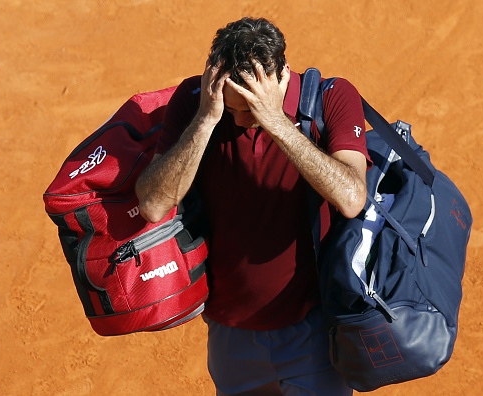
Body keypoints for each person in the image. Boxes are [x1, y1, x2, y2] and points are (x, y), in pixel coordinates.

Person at [136, 17, 371, 396]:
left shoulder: (333, 96)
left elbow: (351, 197)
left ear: (283, 76)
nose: (240, 121)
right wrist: (204, 119)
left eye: (249, 109)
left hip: (314, 331)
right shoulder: (198, 102)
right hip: (231, 338)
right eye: (232, 108)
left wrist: (276, 122)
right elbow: (152, 204)